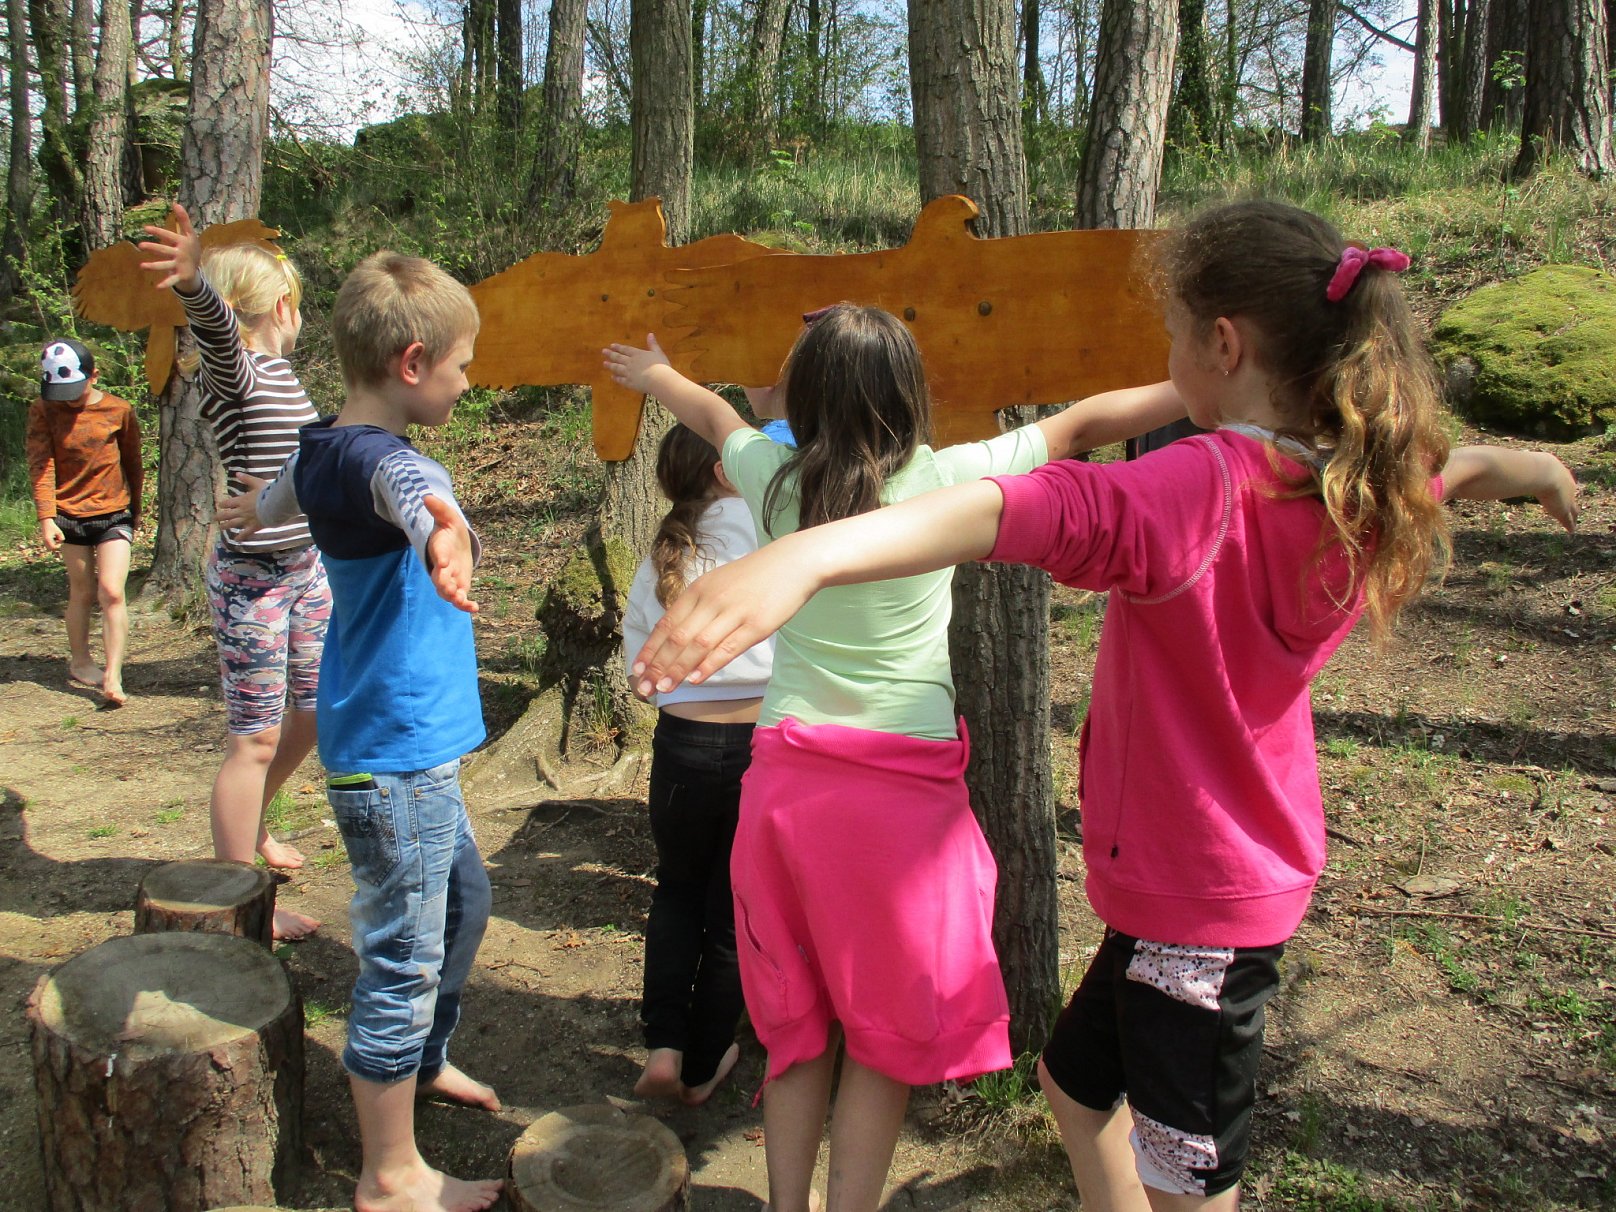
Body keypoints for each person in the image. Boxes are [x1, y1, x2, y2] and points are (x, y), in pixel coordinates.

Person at [623, 201, 1580, 1212]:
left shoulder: (1196, 487)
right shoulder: (1356, 476)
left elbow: (1029, 510)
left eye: (1173, 336)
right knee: (1074, 1089)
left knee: (1185, 1177)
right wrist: (1532, 470)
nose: (1167, 358)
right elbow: (1446, 469)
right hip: (1185, 874)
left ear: (1222, 346)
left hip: (1199, 897)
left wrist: (807, 554)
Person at [603, 306, 1188, 1212]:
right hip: (901, 803)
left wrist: (654, 375)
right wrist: (1201, 391)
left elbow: (714, 417)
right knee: (880, 1041)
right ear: (909, 393)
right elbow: (1078, 426)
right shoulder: (945, 480)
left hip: (789, 787)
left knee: (797, 1028)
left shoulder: (774, 483)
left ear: (804, 396)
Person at [216, 250, 503, 1212]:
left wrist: (249, 508)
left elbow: (282, 497)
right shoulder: (389, 461)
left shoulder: (318, 447)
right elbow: (410, 499)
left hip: (401, 745)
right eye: (462, 366)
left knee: (462, 901)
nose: (469, 382)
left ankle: (420, 1061)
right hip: (394, 754)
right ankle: (389, 1174)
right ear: (412, 363)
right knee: (402, 957)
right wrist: (444, 536)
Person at [139, 204, 328, 940]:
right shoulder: (240, 373)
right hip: (254, 581)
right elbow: (220, 336)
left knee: (312, 713)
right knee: (253, 739)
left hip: (305, 569)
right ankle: (239, 901)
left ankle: (252, 827)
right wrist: (194, 285)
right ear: (283, 306)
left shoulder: (283, 376)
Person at [621, 423, 775, 1106]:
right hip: (760, 747)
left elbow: (639, 675)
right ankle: (705, 1061)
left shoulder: (665, 552)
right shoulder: (770, 532)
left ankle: (664, 1045)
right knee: (731, 909)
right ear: (722, 470)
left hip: (680, 745)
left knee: (676, 892)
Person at [27, 337, 142, 706]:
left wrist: (135, 512)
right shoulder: (44, 410)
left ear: (94, 375)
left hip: (114, 512)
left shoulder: (119, 410)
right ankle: (80, 661)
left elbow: (133, 463)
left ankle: (113, 674)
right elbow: (41, 465)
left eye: (75, 390)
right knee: (82, 591)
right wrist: (47, 517)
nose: (69, 400)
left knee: (112, 591)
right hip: (69, 515)